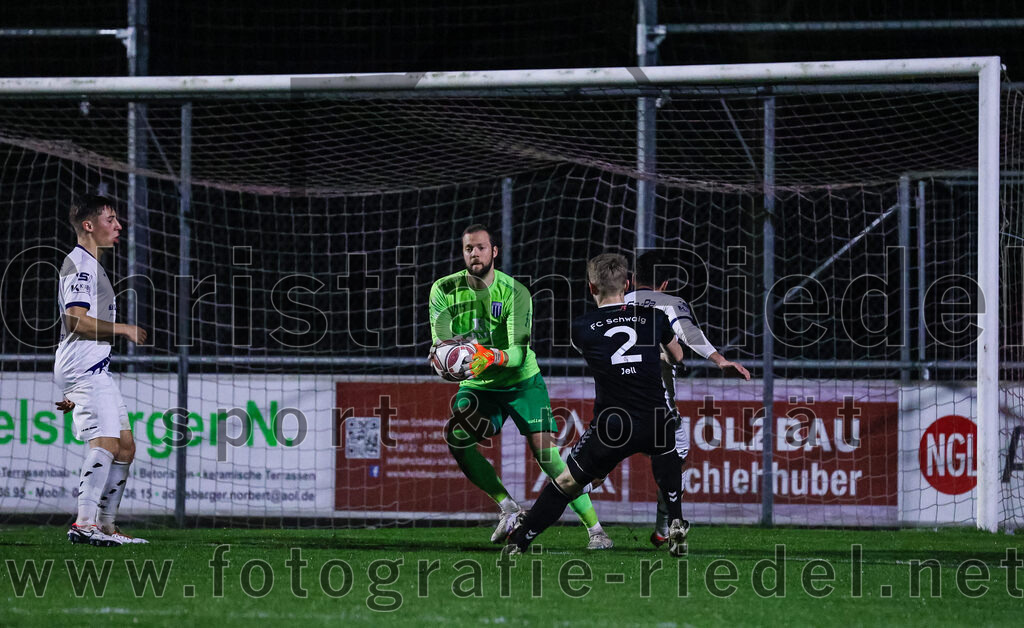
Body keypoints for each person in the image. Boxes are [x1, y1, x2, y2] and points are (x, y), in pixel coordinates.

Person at [428, 224, 612, 550]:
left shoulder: (515, 293)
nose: (475, 253)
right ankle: (508, 508)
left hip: (522, 381)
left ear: (494, 251)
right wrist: (442, 358)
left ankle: (596, 531)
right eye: (469, 248)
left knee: (548, 457)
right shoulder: (443, 289)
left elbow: (518, 354)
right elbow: (441, 344)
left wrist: (488, 355)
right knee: (457, 436)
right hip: (478, 386)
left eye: (481, 247)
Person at [504, 253, 689, 556]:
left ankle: (520, 541)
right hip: (655, 416)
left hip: (613, 424)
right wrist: (658, 356)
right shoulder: (654, 318)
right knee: (667, 454)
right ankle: (676, 521)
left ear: (591, 287)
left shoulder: (581, 328)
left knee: (566, 482)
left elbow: (606, 353)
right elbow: (677, 356)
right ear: (627, 284)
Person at [627, 250, 750, 548]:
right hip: (657, 405)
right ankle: (669, 525)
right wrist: (719, 360)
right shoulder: (668, 303)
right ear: (665, 284)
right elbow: (689, 333)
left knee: (591, 470)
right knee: (676, 457)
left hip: (614, 401)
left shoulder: (616, 302)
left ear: (631, 280)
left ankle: (545, 514)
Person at [55, 194, 149, 546]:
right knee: (106, 441)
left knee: (125, 446)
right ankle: (84, 523)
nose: (119, 225)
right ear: (89, 226)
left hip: (91, 368)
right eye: (111, 219)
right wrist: (122, 329)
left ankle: (106, 525)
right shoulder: (80, 265)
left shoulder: (92, 264)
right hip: (84, 368)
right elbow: (76, 322)